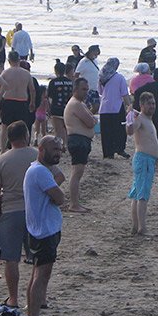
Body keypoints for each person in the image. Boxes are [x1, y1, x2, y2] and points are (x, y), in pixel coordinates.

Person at [0, 121, 38, 314]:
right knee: (37, 259)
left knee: (11, 259)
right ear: (26, 135)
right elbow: (57, 177)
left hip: (10, 211)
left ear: (9, 139)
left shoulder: (1, 160)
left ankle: (13, 298)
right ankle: (37, 297)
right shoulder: (36, 155)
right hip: (33, 211)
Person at [24, 136, 68, 316]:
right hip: (44, 230)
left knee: (37, 274)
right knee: (41, 276)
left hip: (40, 228)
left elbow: (59, 180)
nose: (58, 153)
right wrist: (57, 195)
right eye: (54, 149)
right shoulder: (40, 171)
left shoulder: (38, 169)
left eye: (59, 149)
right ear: (41, 149)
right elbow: (59, 198)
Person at [127, 92, 158, 235]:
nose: (152, 106)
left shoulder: (147, 119)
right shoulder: (139, 118)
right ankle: (142, 227)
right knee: (142, 195)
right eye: (149, 104)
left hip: (147, 160)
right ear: (142, 105)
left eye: (153, 103)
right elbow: (130, 130)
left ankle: (136, 226)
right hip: (143, 159)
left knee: (137, 193)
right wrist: (129, 117)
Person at [63, 77, 97, 212]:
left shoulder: (80, 104)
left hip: (81, 140)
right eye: (83, 89)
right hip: (78, 140)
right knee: (77, 173)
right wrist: (92, 120)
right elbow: (90, 122)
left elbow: (92, 118)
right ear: (75, 89)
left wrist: (92, 119)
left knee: (77, 173)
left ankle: (75, 202)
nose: (86, 92)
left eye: (87, 89)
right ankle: (74, 204)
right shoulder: (76, 104)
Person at [98, 57, 132, 159]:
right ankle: (120, 148)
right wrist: (129, 106)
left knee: (106, 131)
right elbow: (124, 94)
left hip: (104, 107)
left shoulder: (101, 77)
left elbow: (100, 92)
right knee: (119, 130)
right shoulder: (119, 77)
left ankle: (108, 152)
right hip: (116, 106)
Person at [0, 58, 37, 141]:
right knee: (22, 126)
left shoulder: (6, 72)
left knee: (5, 126)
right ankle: (22, 145)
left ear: (9, 61)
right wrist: (32, 102)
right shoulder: (26, 73)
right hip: (21, 101)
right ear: (18, 61)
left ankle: (3, 147)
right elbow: (32, 90)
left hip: (8, 100)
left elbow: (0, 88)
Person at [47, 59, 74, 139]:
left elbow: (49, 97)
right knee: (66, 130)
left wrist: (49, 108)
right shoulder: (70, 82)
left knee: (58, 131)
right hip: (68, 108)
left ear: (55, 71)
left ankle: (60, 145)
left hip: (56, 108)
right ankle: (66, 144)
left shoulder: (53, 82)